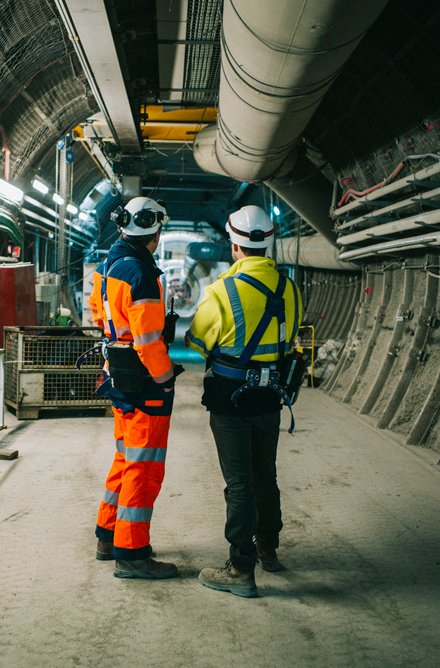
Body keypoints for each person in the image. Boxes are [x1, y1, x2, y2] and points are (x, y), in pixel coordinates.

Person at [185, 204, 303, 597]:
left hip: (230, 401)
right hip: (270, 398)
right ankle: (268, 549)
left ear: (234, 246)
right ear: (269, 245)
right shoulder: (290, 289)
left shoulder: (222, 290)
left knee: (239, 484)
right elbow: (289, 339)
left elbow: (199, 340)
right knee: (264, 475)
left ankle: (240, 568)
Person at [88, 196, 180, 580]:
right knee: (143, 469)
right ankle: (132, 554)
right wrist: (165, 378)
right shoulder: (143, 274)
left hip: (118, 378)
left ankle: (107, 536)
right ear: (155, 233)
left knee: (124, 460)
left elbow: (98, 312)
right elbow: (147, 339)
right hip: (144, 385)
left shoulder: (107, 266)